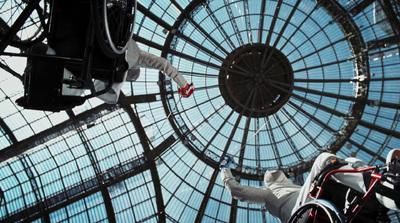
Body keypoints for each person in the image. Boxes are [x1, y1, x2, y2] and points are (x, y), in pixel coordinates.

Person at [219, 149, 400, 223]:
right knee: (323, 160)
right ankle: (382, 185)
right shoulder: (266, 193)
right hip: (301, 213)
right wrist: (225, 170)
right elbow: (237, 191)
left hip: (308, 202)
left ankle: (384, 186)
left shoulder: (295, 187)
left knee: (348, 162)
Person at [93, 40, 194, 104]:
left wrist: (184, 85)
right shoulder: (136, 57)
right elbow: (163, 65)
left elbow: (163, 65)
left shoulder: (135, 57)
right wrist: (184, 85)